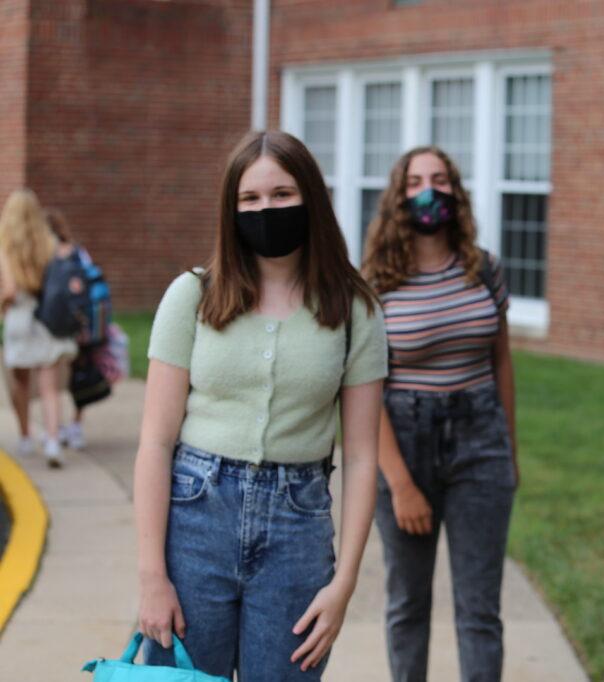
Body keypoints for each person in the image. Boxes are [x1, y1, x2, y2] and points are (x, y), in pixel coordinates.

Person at [134, 130, 388, 680]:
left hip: (297, 531)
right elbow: (155, 443)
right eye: (249, 199)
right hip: (195, 519)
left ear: (311, 200)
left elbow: (364, 457)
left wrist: (344, 586)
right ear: (231, 209)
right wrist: (152, 575)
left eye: (281, 195)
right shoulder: (191, 297)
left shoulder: (354, 309)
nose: (265, 209)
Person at [362, 146, 517, 682]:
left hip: (481, 441)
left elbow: (501, 360)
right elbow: (365, 391)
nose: (429, 190)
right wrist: (400, 483)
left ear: (456, 190)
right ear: (398, 198)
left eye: (440, 179)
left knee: (480, 611)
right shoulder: (376, 284)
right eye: (415, 181)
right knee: (408, 605)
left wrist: (509, 454)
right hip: (405, 439)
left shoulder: (486, 269)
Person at [0, 189, 78, 467]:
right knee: (48, 387)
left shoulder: (7, 246)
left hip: (19, 321)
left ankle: (24, 437)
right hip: (47, 319)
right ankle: (53, 441)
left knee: (19, 383)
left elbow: (9, 290)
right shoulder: (50, 242)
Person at [44, 207, 106, 450]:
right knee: (80, 371)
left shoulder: (48, 255)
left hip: (55, 325)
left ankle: (56, 428)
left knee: (55, 377)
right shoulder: (78, 252)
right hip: (82, 321)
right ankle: (75, 425)